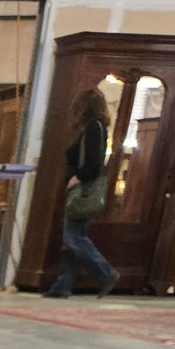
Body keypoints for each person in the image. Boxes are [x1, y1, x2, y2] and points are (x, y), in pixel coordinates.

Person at [45, 87, 117, 297]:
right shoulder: (96, 127)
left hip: (82, 188)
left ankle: (106, 272)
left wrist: (78, 177)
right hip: (81, 187)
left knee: (73, 237)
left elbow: (94, 163)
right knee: (73, 238)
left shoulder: (94, 128)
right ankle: (63, 285)